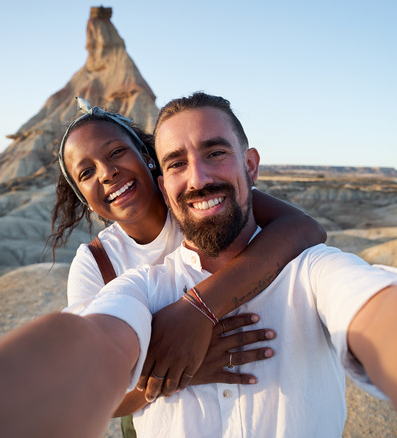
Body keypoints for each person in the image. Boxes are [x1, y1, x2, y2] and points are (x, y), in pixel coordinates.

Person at [71, 92, 397, 437]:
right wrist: (180, 369)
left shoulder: (307, 269)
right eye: (178, 162)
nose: (198, 178)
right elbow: (86, 364)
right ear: (166, 182)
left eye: (215, 152)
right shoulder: (120, 274)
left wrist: (199, 309)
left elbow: (330, 258)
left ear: (251, 167)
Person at [51, 97, 327, 418]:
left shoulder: (200, 202)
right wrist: (185, 369)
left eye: (115, 153)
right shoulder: (96, 262)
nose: (107, 173)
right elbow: (100, 400)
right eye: (86, 172)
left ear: (147, 157)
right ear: (83, 198)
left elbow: (302, 227)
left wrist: (199, 309)